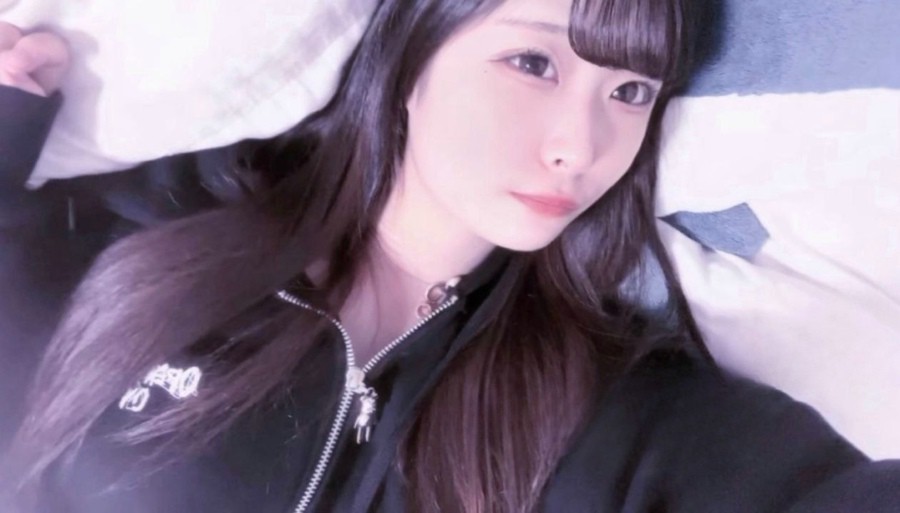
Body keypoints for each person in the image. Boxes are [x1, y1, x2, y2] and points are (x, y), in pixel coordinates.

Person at [1, 0, 898, 511]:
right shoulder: (143, 243)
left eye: (629, 91)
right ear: (413, 54)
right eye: (533, 65)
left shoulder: (614, 412)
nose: (578, 146)